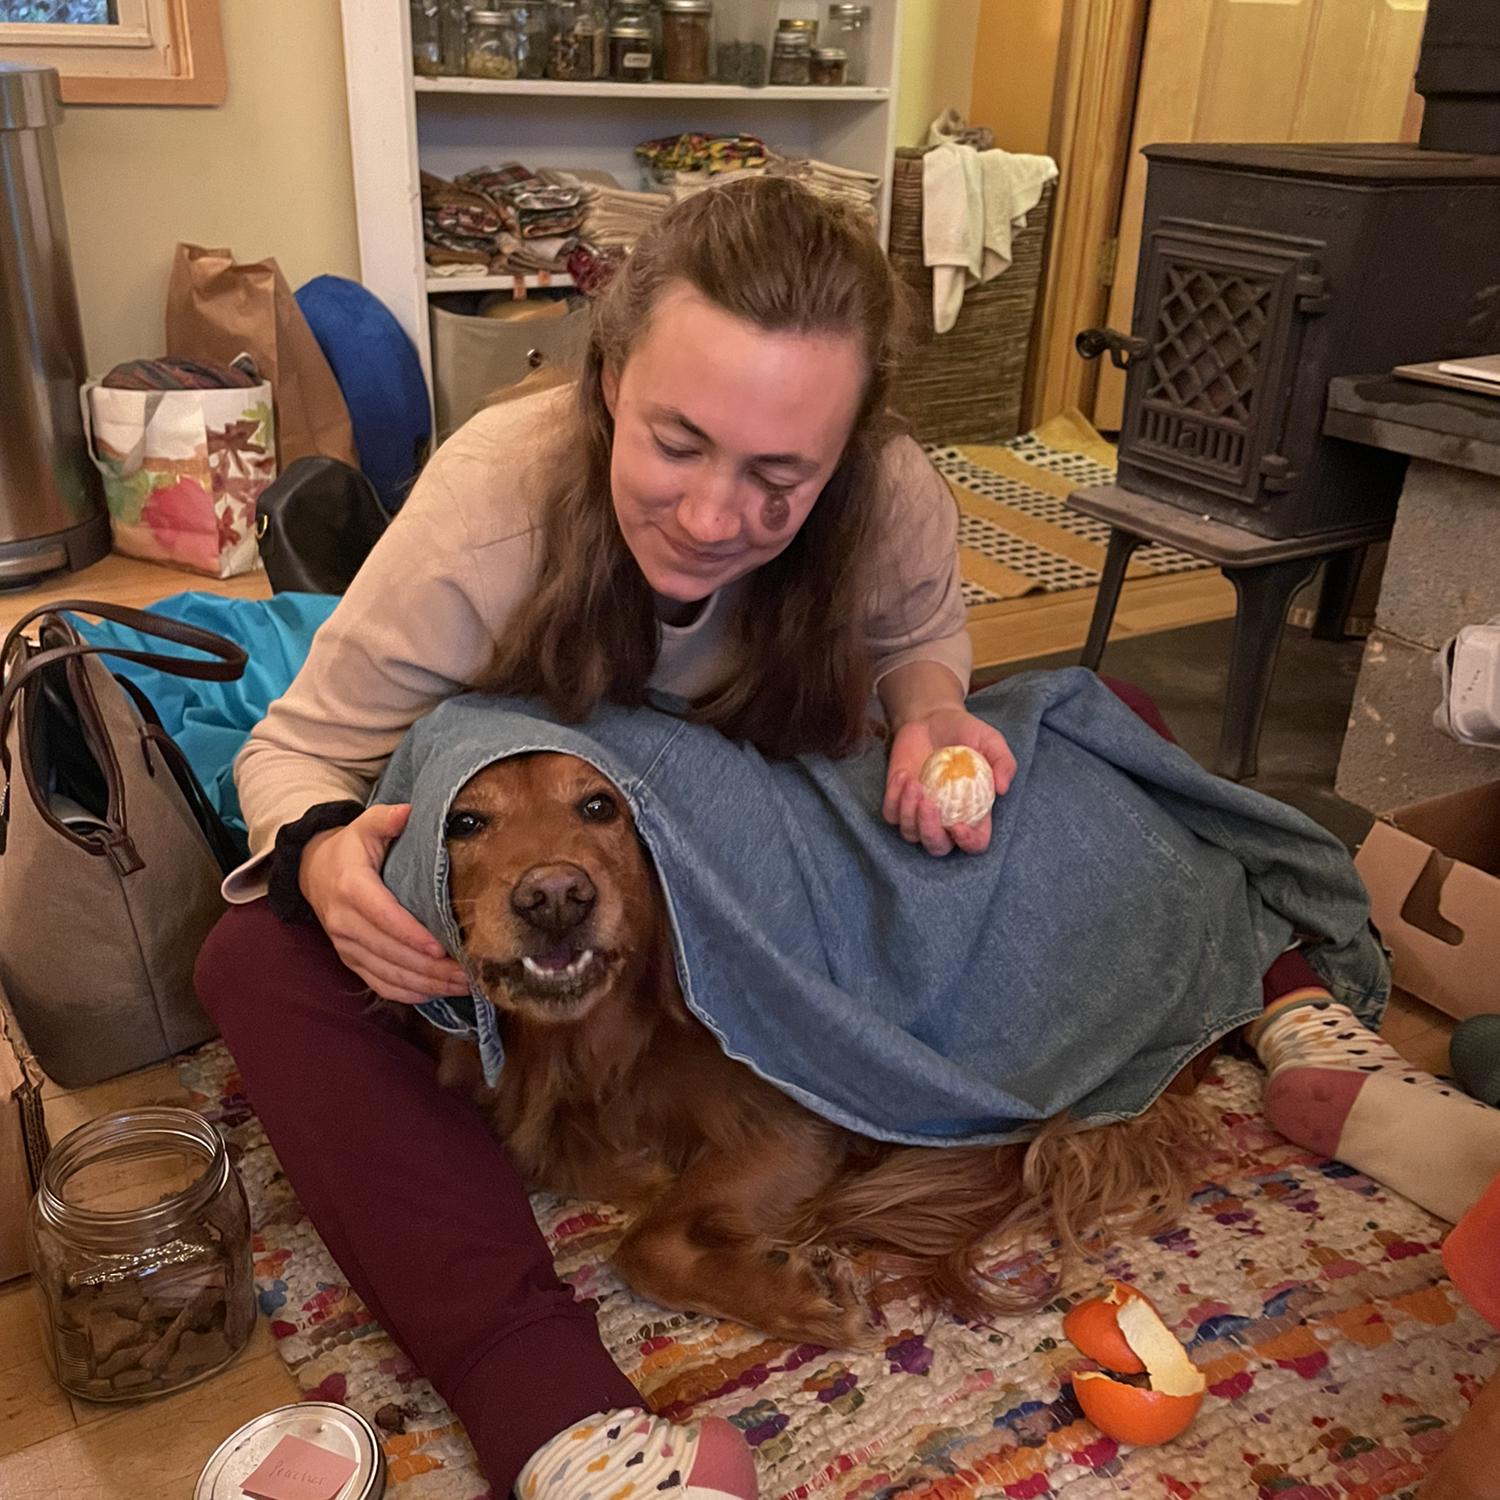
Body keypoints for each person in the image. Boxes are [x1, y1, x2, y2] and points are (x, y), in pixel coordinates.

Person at [195, 176, 1500, 1499]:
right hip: (583, 836)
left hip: (794, 832)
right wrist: (323, 854)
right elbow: (294, 749)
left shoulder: (893, 493)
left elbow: (921, 642)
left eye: (782, 477)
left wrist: (934, 719)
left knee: (1101, 725)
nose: (715, 518)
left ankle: (1297, 1019)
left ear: (850, 448)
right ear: (608, 384)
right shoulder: (492, 500)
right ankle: (552, 1414)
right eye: (677, 444)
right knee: (255, 959)